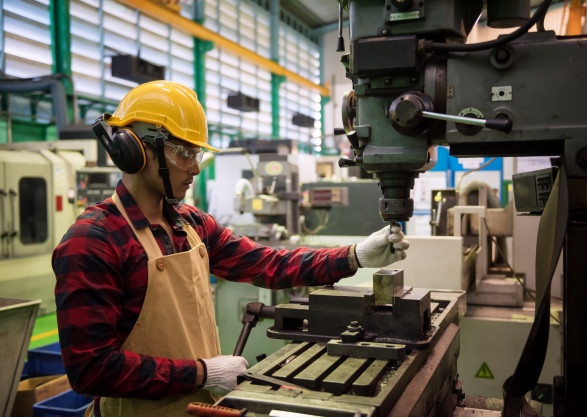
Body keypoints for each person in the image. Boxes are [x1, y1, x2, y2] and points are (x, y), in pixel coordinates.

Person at [52, 80, 409, 417]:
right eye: (183, 153)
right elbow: (91, 369)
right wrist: (201, 374)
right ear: (134, 151)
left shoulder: (190, 224)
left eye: (197, 154)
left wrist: (355, 256)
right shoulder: (93, 241)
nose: (194, 167)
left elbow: (269, 264)